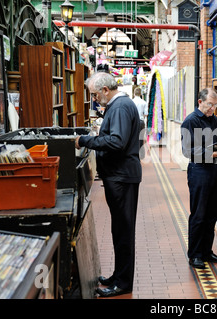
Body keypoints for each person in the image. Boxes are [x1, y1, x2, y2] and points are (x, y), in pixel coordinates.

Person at [75, 72, 142, 297]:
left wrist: (86, 140)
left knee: (123, 231)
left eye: (95, 94)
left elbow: (117, 141)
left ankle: (123, 283)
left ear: (105, 90)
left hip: (122, 177)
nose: (94, 99)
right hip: (119, 177)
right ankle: (118, 275)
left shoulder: (121, 107)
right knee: (119, 230)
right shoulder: (119, 105)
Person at [180, 88, 217, 269]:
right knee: (199, 214)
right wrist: (215, 153)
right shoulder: (190, 121)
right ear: (200, 101)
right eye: (210, 104)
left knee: (211, 214)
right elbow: (188, 151)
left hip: (213, 171)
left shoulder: (213, 120)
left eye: (215, 105)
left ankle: (206, 252)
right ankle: (194, 254)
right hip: (199, 171)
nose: (213, 109)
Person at [132, 87, 148, 159]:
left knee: (133, 138)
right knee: (141, 139)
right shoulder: (144, 102)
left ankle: (134, 155)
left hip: (133, 122)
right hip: (141, 122)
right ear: (141, 94)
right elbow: (146, 114)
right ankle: (141, 155)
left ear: (134, 93)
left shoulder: (131, 102)